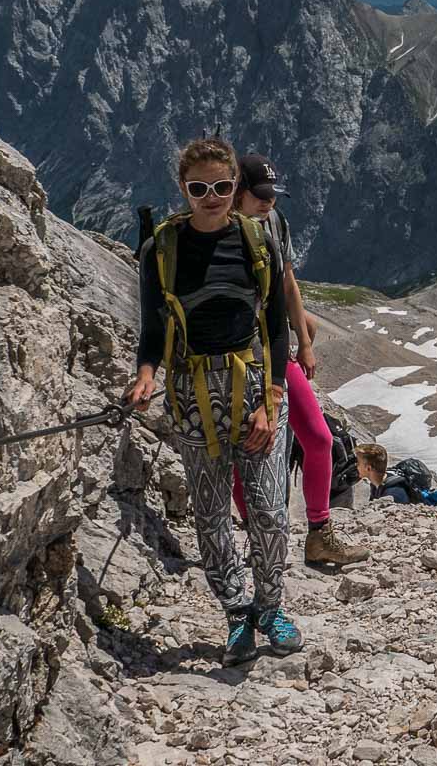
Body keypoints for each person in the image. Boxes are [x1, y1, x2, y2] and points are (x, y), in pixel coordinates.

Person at [125, 136, 302, 665]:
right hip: (191, 393)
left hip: (254, 390)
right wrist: (144, 374)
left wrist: (272, 401)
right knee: (211, 515)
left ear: (234, 187)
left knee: (269, 510)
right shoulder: (161, 250)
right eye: (199, 187)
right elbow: (152, 328)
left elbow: (275, 331)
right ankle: (237, 613)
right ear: (183, 188)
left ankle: (269, 609)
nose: (212, 196)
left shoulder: (257, 243)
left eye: (223, 186)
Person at [228, 153, 371, 570]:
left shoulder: (274, 223)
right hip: (236, 359)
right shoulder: (219, 231)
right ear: (237, 192)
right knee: (246, 453)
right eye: (260, 195)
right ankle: (259, 537)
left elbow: (287, 280)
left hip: (274, 350)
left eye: (273, 194)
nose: (269, 201)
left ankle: (319, 533)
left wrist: (303, 341)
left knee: (320, 438)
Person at [355, 443, 437, 505]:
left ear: (368, 468)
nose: (356, 466)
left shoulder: (394, 494)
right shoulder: (376, 483)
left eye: (358, 463)